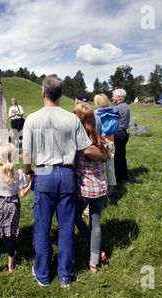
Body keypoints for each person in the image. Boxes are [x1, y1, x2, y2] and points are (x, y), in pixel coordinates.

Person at [22, 75, 108, 287]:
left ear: (43, 93)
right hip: (67, 175)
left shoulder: (32, 119)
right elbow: (86, 148)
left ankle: (42, 274)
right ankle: (65, 276)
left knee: (42, 226)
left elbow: (26, 154)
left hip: (43, 173)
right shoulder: (72, 119)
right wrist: (105, 155)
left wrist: (28, 173)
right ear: (61, 94)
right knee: (67, 227)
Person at [73, 102, 109, 274]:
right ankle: (94, 260)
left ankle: (94, 249)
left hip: (85, 189)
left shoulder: (78, 144)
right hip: (101, 188)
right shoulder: (101, 140)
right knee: (96, 223)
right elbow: (106, 158)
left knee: (74, 216)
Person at [0, 143, 31, 277]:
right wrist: (32, 183)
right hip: (12, 206)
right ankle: (10, 266)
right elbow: (22, 193)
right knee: (11, 235)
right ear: (14, 157)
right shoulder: (18, 174)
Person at [94, 94, 119, 201]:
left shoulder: (96, 114)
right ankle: (110, 191)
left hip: (100, 143)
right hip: (111, 141)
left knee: (97, 169)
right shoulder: (114, 113)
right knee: (110, 167)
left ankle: (99, 190)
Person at [112, 89, 130, 184]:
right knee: (121, 156)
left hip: (119, 133)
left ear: (119, 97)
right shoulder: (125, 106)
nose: (112, 97)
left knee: (117, 157)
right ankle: (124, 176)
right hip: (123, 133)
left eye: (113, 95)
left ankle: (118, 179)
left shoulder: (119, 108)